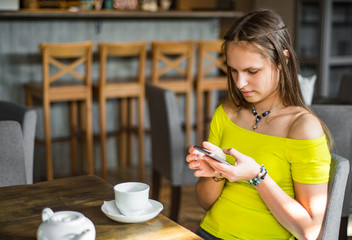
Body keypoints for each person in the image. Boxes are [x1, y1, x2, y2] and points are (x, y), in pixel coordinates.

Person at [186, 9, 331, 240]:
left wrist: (257, 176)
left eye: (252, 71)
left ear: (283, 60)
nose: (240, 83)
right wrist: (217, 172)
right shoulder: (226, 114)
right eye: (233, 70)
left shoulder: (302, 127)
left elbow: (309, 231)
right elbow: (206, 204)